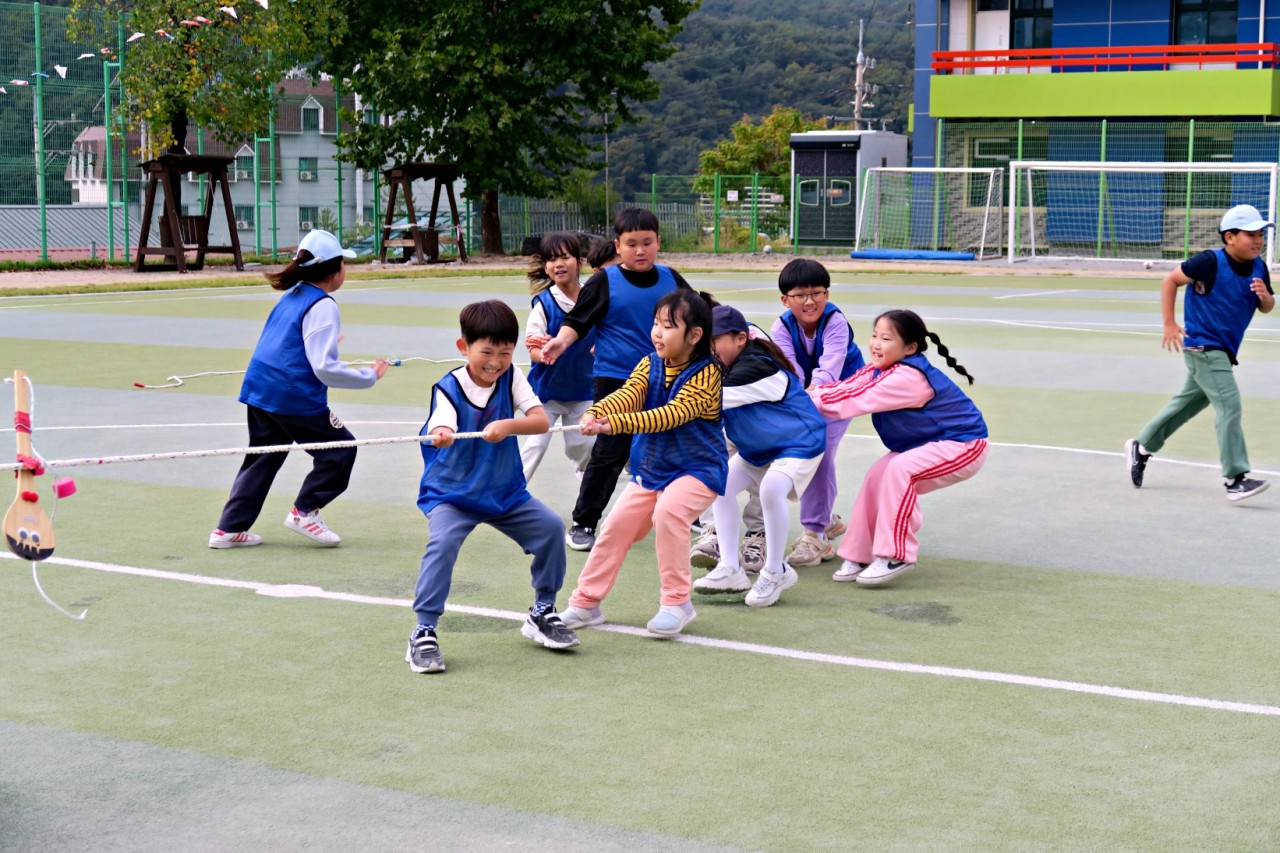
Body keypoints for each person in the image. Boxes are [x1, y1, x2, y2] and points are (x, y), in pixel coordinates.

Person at [406, 300, 580, 674]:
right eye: (487, 351)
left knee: (550, 529)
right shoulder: (448, 387)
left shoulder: (513, 377)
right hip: (453, 495)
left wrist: (507, 426)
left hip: (504, 493)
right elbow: (441, 424)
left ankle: (542, 610)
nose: (496, 361)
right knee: (443, 544)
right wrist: (442, 434)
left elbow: (538, 421)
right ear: (463, 347)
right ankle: (423, 630)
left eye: (505, 352)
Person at [560, 289, 727, 638]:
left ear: (695, 335)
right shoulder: (650, 362)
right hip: (652, 469)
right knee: (615, 527)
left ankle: (677, 602)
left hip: (698, 469)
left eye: (668, 326)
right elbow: (628, 394)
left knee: (669, 512)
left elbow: (672, 415)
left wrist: (614, 424)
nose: (656, 332)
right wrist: (598, 411)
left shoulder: (707, 374)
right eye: (655, 323)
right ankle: (586, 603)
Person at [209, 229, 388, 550]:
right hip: (292, 396)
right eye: (344, 263)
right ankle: (305, 511)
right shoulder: (324, 305)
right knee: (341, 451)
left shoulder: (292, 295)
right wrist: (367, 376)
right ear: (335, 271)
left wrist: (324, 344)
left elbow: (285, 343)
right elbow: (324, 367)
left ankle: (228, 529)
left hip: (261, 389)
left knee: (263, 456)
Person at [540, 208, 693, 551]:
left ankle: (686, 510)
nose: (640, 251)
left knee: (678, 442)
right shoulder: (604, 281)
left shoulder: (671, 278)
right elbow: (578, 322)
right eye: (632, 244)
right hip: (616, 378)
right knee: (610, 452)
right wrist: (559, 342)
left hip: (666, 377)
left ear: (658, 243)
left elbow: (698, 314)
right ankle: (584, 521)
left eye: (647, 243)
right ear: (618, 246)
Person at [810, 309, 988, 587]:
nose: (876, 344)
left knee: (900, 469)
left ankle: (896, 554)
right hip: (926, 443)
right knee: (876, 475)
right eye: (874, 336)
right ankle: (861, 554)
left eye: (886, 338)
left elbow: (854, 400)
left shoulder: (908, 377)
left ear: (910, 348)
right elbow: (845, 388)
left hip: (963, 445)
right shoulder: (878, 369)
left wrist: (800, 401)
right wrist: (806, 395)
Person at [1125, 204, 1276, 502]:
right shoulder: (1208, 262)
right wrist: (1169, 323)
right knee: (1229, 405)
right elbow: (1170, 280)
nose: (1258, 241)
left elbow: (1267, 307)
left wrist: (1266, 296)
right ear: (1230, 237)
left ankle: (1141, 446)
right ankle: (1235, 479)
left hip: (1224, 348)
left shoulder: (1259, 267)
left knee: (1187, 404)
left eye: (1261, 234)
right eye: (1251, 235)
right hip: (1203, 345)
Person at [693, 305, 826, 607]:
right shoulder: (723, 366)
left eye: (715, 340)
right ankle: (730, 568)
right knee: (720, 485)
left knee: (771, 489)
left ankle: (775, 571)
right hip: (758, 448)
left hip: (799, 443)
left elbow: (706, 402)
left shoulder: (756, 367)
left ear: (740, 339)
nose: (709, 349)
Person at [771, 258, 865, 567]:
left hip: (843, 391)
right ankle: (826, 520)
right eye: (800, 295)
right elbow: (790, 369)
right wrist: (800, 397)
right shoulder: (781, 326)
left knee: (819, 450)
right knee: (788, 448)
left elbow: (831, 368)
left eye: (817, 292)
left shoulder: (835, 321)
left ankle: (815, 536)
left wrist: (810, 396)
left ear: (827, 293)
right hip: (805, 395)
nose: (810, 301)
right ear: (785, 299)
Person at [521, 232, 597, 482]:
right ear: (546, 267)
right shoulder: (543, 304)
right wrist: (543, 355)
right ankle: (510, 494)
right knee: (536, 446)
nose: (559, 264)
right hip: (546, 394)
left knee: (584, 446)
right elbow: (532, 347)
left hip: (584, 391)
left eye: (565, 257)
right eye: (552, 260)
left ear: (580, 262)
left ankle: (584, 478)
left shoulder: (593, 298)